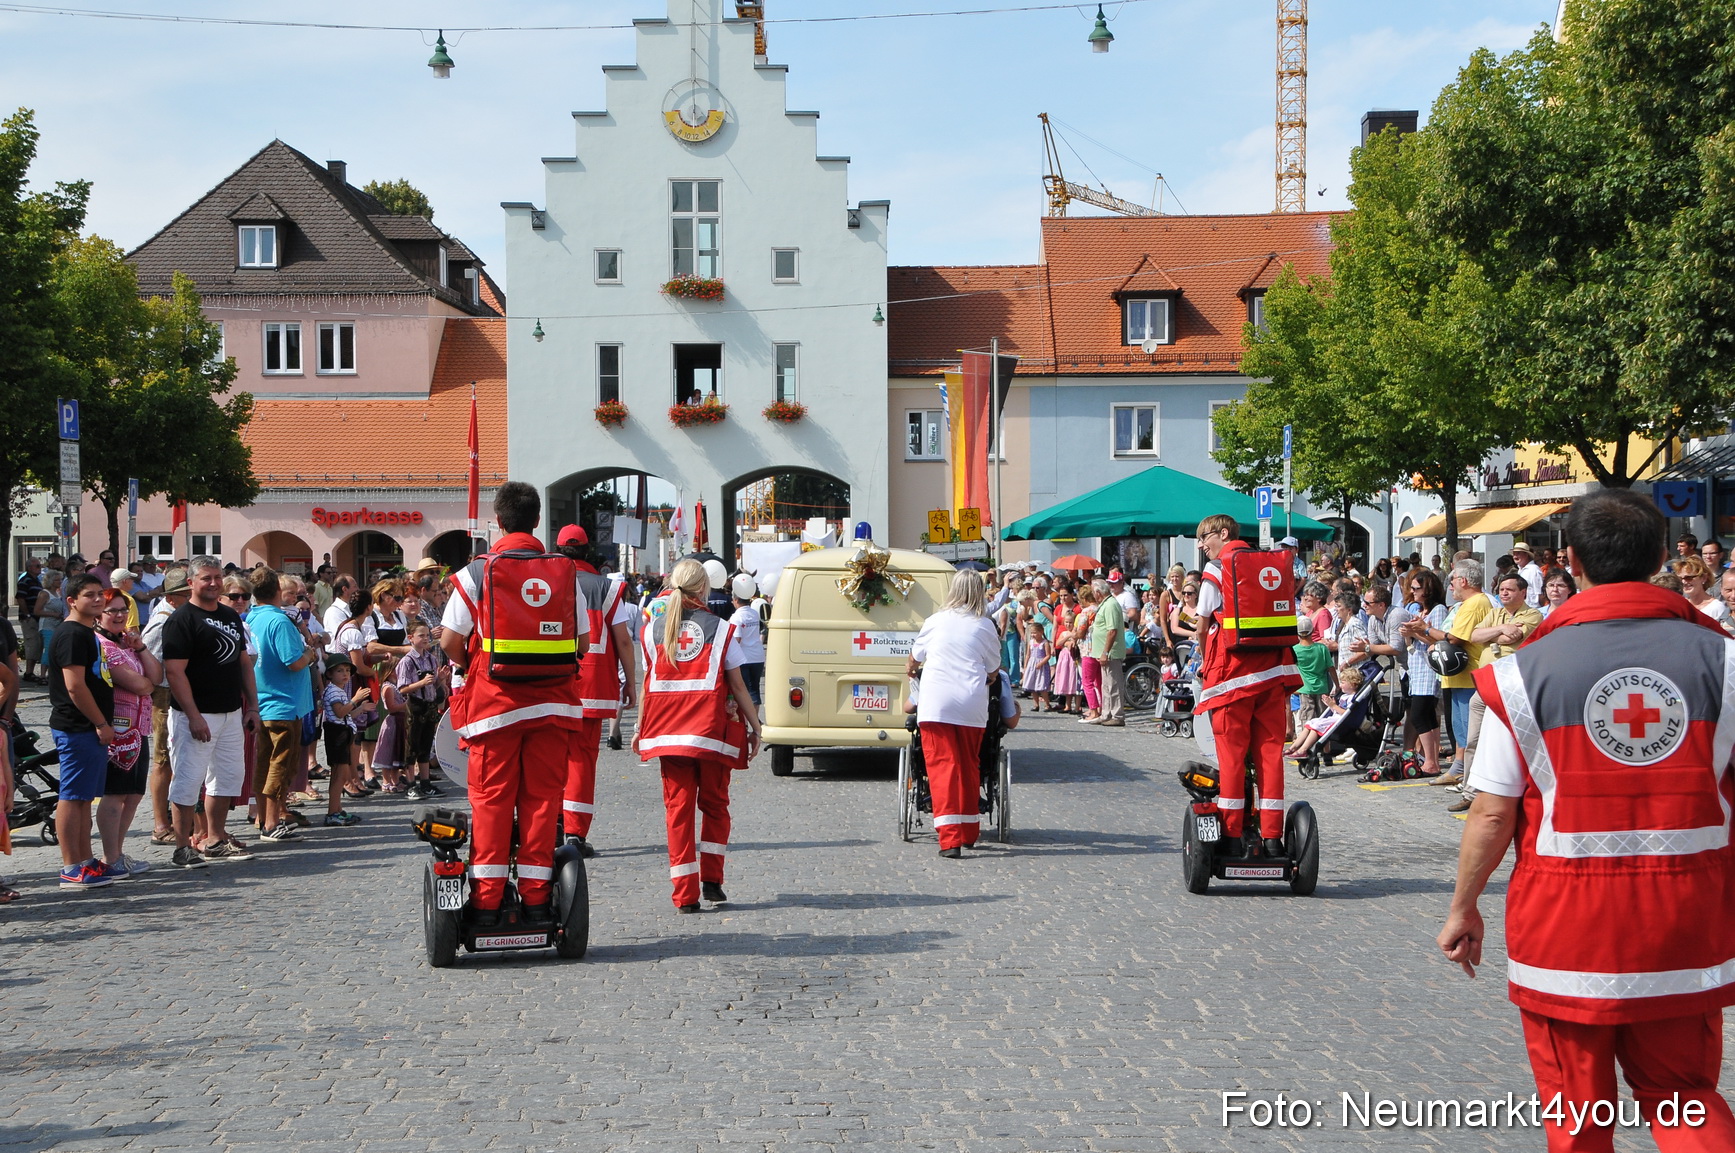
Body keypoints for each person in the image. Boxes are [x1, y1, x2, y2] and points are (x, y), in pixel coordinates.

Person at [1439, 488, 1735, 1151]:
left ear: (1568, 560)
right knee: (1686, 1097)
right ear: (1661, 556)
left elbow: (1490, 810)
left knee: (1576, 1117)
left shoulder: (1520, 674)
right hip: (1683, 922)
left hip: (1565, 930)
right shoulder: (1725, 660)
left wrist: (1462, 906)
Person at [440, 481, 591, 927]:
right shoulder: (564, 571)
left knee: (491, 803)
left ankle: (487, 906)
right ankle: (538, 901)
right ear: (538, 522)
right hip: (553, 706)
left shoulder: (476, 572)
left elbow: (449, 640)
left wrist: (475, 661)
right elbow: (581, 640)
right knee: (543, 804)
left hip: (494, 708)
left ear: (499, 521)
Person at [634, 559, 759, 908]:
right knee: (716, 805)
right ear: (704, 588)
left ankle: (684, 895)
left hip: (668, 732)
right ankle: (712, 881)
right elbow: (737, 683)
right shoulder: (720, 629)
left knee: (679, 810)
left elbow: (648, 686)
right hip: (711, 731)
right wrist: (756, 726)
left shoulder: (652, 630)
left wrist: (639, 727)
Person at [1193, 515, 1302, 856]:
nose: (1201, 545)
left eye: (1204, 537)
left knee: (1232, 755)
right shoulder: (1266, 564)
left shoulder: (1216, 568)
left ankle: (1232, 832)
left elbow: (1202, 624)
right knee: (1270, 754)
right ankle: (1272, 836)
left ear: (1224, 533)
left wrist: (1203, 661)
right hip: (1272, 671)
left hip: (1232, 677)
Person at [162, 555, 259, 867]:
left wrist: (252, 706)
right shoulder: (181, 620)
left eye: (217, 577)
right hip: (195, 715)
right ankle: (182, 847)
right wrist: (193, 716)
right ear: (191, 583)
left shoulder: (230, 617)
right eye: (206, 578)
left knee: (228, 778)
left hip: (231, 712)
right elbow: (175, 673)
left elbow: (243, 663)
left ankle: (215, 838)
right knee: (188, 780)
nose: (214, 583)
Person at [551, 525, 637, 857]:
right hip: (593, 686)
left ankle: (551, 824)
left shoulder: (549, 581)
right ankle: (575, 833)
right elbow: (624, 641)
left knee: (550, 758)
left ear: (558, 551)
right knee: (582, 761)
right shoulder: (608, 589)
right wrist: (629, 682)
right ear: (588, 552)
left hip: (554, 685)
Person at [906, 570, 1001, 858]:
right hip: (971, 703)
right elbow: (993, 668)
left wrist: (910, 669)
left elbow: (915, 658)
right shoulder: (985, 625)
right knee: (969, 764)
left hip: (938, 703)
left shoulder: (935, 621)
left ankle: (950, 840)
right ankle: (970, 831)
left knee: (943, 767)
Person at [47, 573, 118, 888]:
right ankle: (70, 865)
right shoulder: (73, 634)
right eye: (89, 595)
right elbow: (74, 687)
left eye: (99, 594)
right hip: (77, 727)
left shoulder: (86, 633)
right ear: (72, 600)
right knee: (72, 796)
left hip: (89, 728)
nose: (98, 599)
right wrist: (101, 723)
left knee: (84, 798)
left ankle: (87, 859)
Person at [248, 566, 320, 843]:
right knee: (280, 764)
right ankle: (271, 821)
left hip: (263, 699)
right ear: (278, 592)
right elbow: (293, 661)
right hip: (284, 702)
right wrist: (310, 653)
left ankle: (261, 817)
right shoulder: (278, 621)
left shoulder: (252, 617)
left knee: (264, 763)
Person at [93, 588, 162, 878]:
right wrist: (146, 681)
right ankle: (111, 856)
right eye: (113, 611)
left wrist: (142, 648)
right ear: (99, 613)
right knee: (115, 793)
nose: (120, 615)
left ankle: (117, 853)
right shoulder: (103, 645)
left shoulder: (125, 642)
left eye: (124, 609)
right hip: (118, 729)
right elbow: (141, 685)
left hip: (137, 727)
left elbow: (156, 678)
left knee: (132, 794)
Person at [1434, 560, 1495, 788]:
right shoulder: (1465, 604)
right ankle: (1463, 773)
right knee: (1460, 730)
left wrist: (1426, 630)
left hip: (1470, 674)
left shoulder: (1475, 603)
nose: (1450, 587)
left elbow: (1455, 638)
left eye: (1452, 581)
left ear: (1463, 581)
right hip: (1458, 675)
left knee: (1471, 733)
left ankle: (1474, 780)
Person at [1397, 568, 1449, 778]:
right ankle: (1431, 760)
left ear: (1427, 589)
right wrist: (1409, 635)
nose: (1413, 591)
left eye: (1416, 588)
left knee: (1419, 715)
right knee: (1427, 717)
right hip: (1416, 667)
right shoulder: (1420, 611)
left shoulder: (1437, 610)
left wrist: (1416, 633)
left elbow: (1437, 640)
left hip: (1428, 669)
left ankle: (1430, 759)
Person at [318, 654, 368, 826]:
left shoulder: (339, 690)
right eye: (340, 671)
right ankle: (332, 811)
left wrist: (360, 708)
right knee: (339, 775)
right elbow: (340, 712)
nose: (345, 674)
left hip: (343, 731)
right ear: (330, 674)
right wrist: (355, 700)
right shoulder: (332, 691)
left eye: (347, 670)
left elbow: (346, 715)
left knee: (342, 773)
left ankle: (337, 808)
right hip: (336, 734)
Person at [395, 623, 443, 801]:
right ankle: (410, 784)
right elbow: (402, 688)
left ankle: (425, 782)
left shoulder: (431, 658)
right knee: (412, 746)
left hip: (429, 705)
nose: (425, 639)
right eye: (421, 635)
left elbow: (434, 684)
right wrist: (421, 684)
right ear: (411, 638)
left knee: (425, 744)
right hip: (415, 705)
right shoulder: (407, 661)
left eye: (427, 635)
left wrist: (440, 681)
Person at [1284, 665, 1364, 760]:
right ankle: (1294, 747)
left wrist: (1333, 706)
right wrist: (1331, 704)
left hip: (1341, 722)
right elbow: (1338, 710)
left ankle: (1303, 750)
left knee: (1316, 727)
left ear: (1353, 684)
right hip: (1335, 718)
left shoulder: (1353, 698)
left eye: (1343, 683)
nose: (1340, 685)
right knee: (1310, 723)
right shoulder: (1344, 696)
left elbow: (1347, 713)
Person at [1087, 577, 1127, 726]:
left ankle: (1117, 715)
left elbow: (1112, 631)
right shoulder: (1105, 604)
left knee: (1114, 684)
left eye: (1093, 592)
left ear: (1098, 592)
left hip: (1111, 653)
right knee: (1106, 684)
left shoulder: (1110, 605)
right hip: (1104, 652)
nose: (1093, 595)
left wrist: (1105, 652)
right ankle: (1106, 713)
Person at [726, 573, 765, 708]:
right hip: (758, 656)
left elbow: (736, 639)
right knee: (755, 691)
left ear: (736, 600)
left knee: (743, 691)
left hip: (744, 658)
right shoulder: (754, 613)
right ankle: (755, 719)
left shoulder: (737, 617)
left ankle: (747, 723)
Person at [1291, 616, 1334, 732]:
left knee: (1307, 720)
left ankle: (1308, 746)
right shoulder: (1322, 648)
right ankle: (1326, 747)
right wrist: (1338, 685)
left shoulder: (1294, 650)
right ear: (1313, 630)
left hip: (1304, 690)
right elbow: (1331, 668)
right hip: (1322, 688)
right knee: (1323, 720)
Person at [1673, 556, 1729, 627]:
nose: (1684, 582)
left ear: (1704, 578)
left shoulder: (1717, 608)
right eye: (1680, 578)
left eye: (1689, 578)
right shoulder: (1680, 605)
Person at [15, 555, 43, 684]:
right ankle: (28, 672)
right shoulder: (25, 580)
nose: (40, 568)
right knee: (31, 643)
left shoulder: (36, 580)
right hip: (29, 617)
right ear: (30, 567)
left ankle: (30, 671)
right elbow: (20, 598)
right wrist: (27, 614)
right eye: (37, 566)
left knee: (36, 643)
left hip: (36, 617)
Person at [1509, 541, 1545, 609]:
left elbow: (1540, 593)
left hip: (1534, 609)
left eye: (1518, 553)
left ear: (1526, 555)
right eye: (1514, 554)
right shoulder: (1520, 570)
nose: (1515, 556)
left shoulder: (1533, 570)